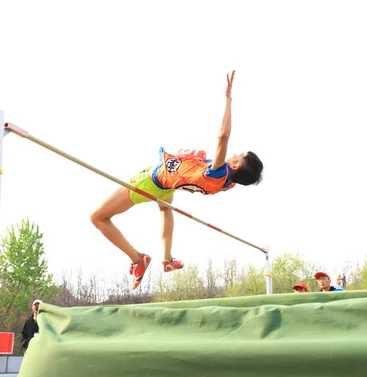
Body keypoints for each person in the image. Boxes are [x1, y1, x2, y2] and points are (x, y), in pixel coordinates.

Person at [90, 71, 264, 289]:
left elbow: (223, 137)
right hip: (167, 189)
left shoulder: (220, 171)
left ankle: (137, 259)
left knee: (98, 218)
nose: (234, 153)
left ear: (236, 165)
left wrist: (228, 100)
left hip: (151, 183)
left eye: (238, 156)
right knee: (165, 209)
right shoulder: (229, 183)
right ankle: (167, 259)